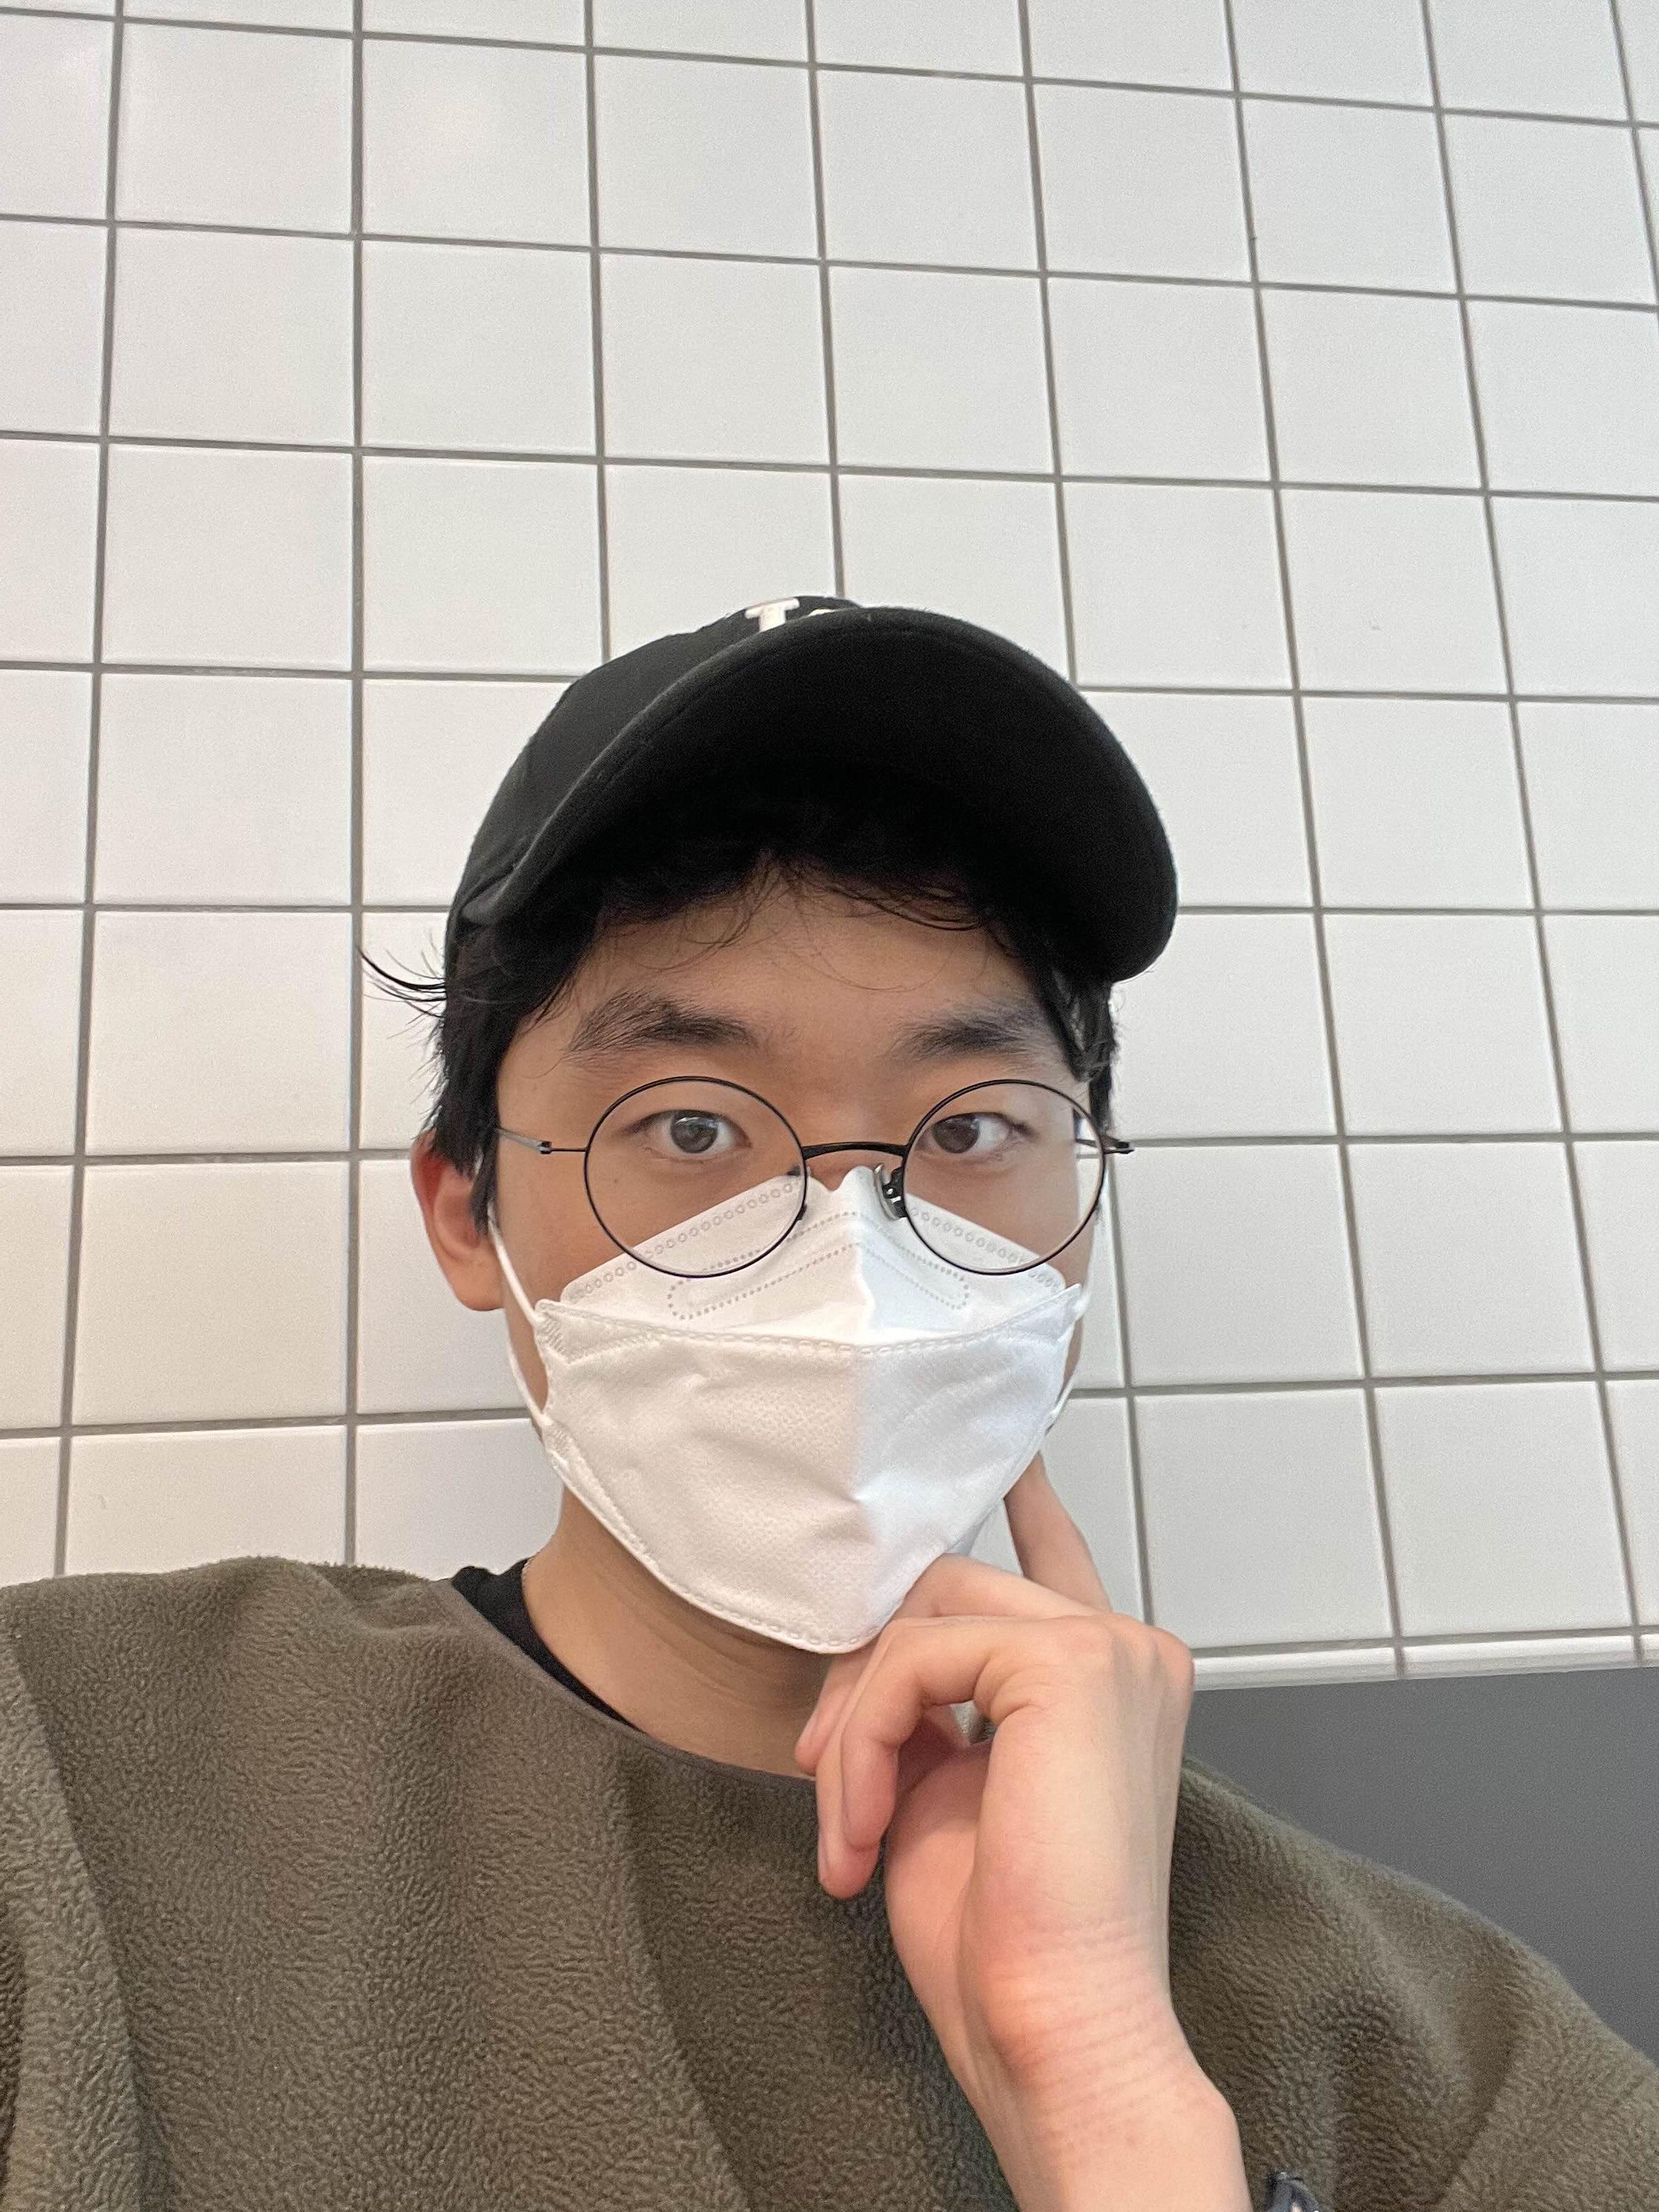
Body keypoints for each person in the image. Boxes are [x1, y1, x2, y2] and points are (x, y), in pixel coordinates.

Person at [1, 597, 1654, 2211]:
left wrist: (1107, 2094)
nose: (850, 1261)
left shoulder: (1462, 2076)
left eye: (969, 1128)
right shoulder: (67, 1787)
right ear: (466, 1211)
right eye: (694, 1125)